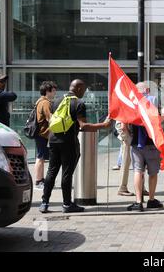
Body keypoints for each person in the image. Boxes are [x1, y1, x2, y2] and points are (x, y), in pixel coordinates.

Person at [39, 79, 111, 213]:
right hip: (69, 142)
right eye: (83, 89)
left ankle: (44, 202)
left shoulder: (56, 101)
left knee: (51, 171)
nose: (84, 92)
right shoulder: (79, 103)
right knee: (67, 173)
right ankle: (67, 204)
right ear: (78, 89)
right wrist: (104, 125)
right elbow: (83, 126)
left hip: (53, 139)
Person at [127, 82, 164, 211]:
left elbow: (124, 124)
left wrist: (129, 135)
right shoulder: (153, 101)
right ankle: (151, 200)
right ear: (147, 90)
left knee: (138, 171)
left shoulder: (132, 103)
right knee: (153, 172)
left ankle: (138, 202)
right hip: (152, 142)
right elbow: (159, 121)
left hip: (136, 143)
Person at [33, 81, 57, 190]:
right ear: (48, 91)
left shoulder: (40, 101)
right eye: (53, 90)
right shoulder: (45, 103)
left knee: (41, 156)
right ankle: (38, 181)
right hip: (43, 133)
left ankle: (41, 180)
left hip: (41, 133)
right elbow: (50, 118)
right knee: (40, 157)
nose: (55, 92)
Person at [114, 121, 134, 196]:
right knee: (125, 162)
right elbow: (120, 125)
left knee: (139, 163)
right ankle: (122, 187)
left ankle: (141, 187)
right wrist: (125, 136)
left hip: (132, 132)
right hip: (128, 133)